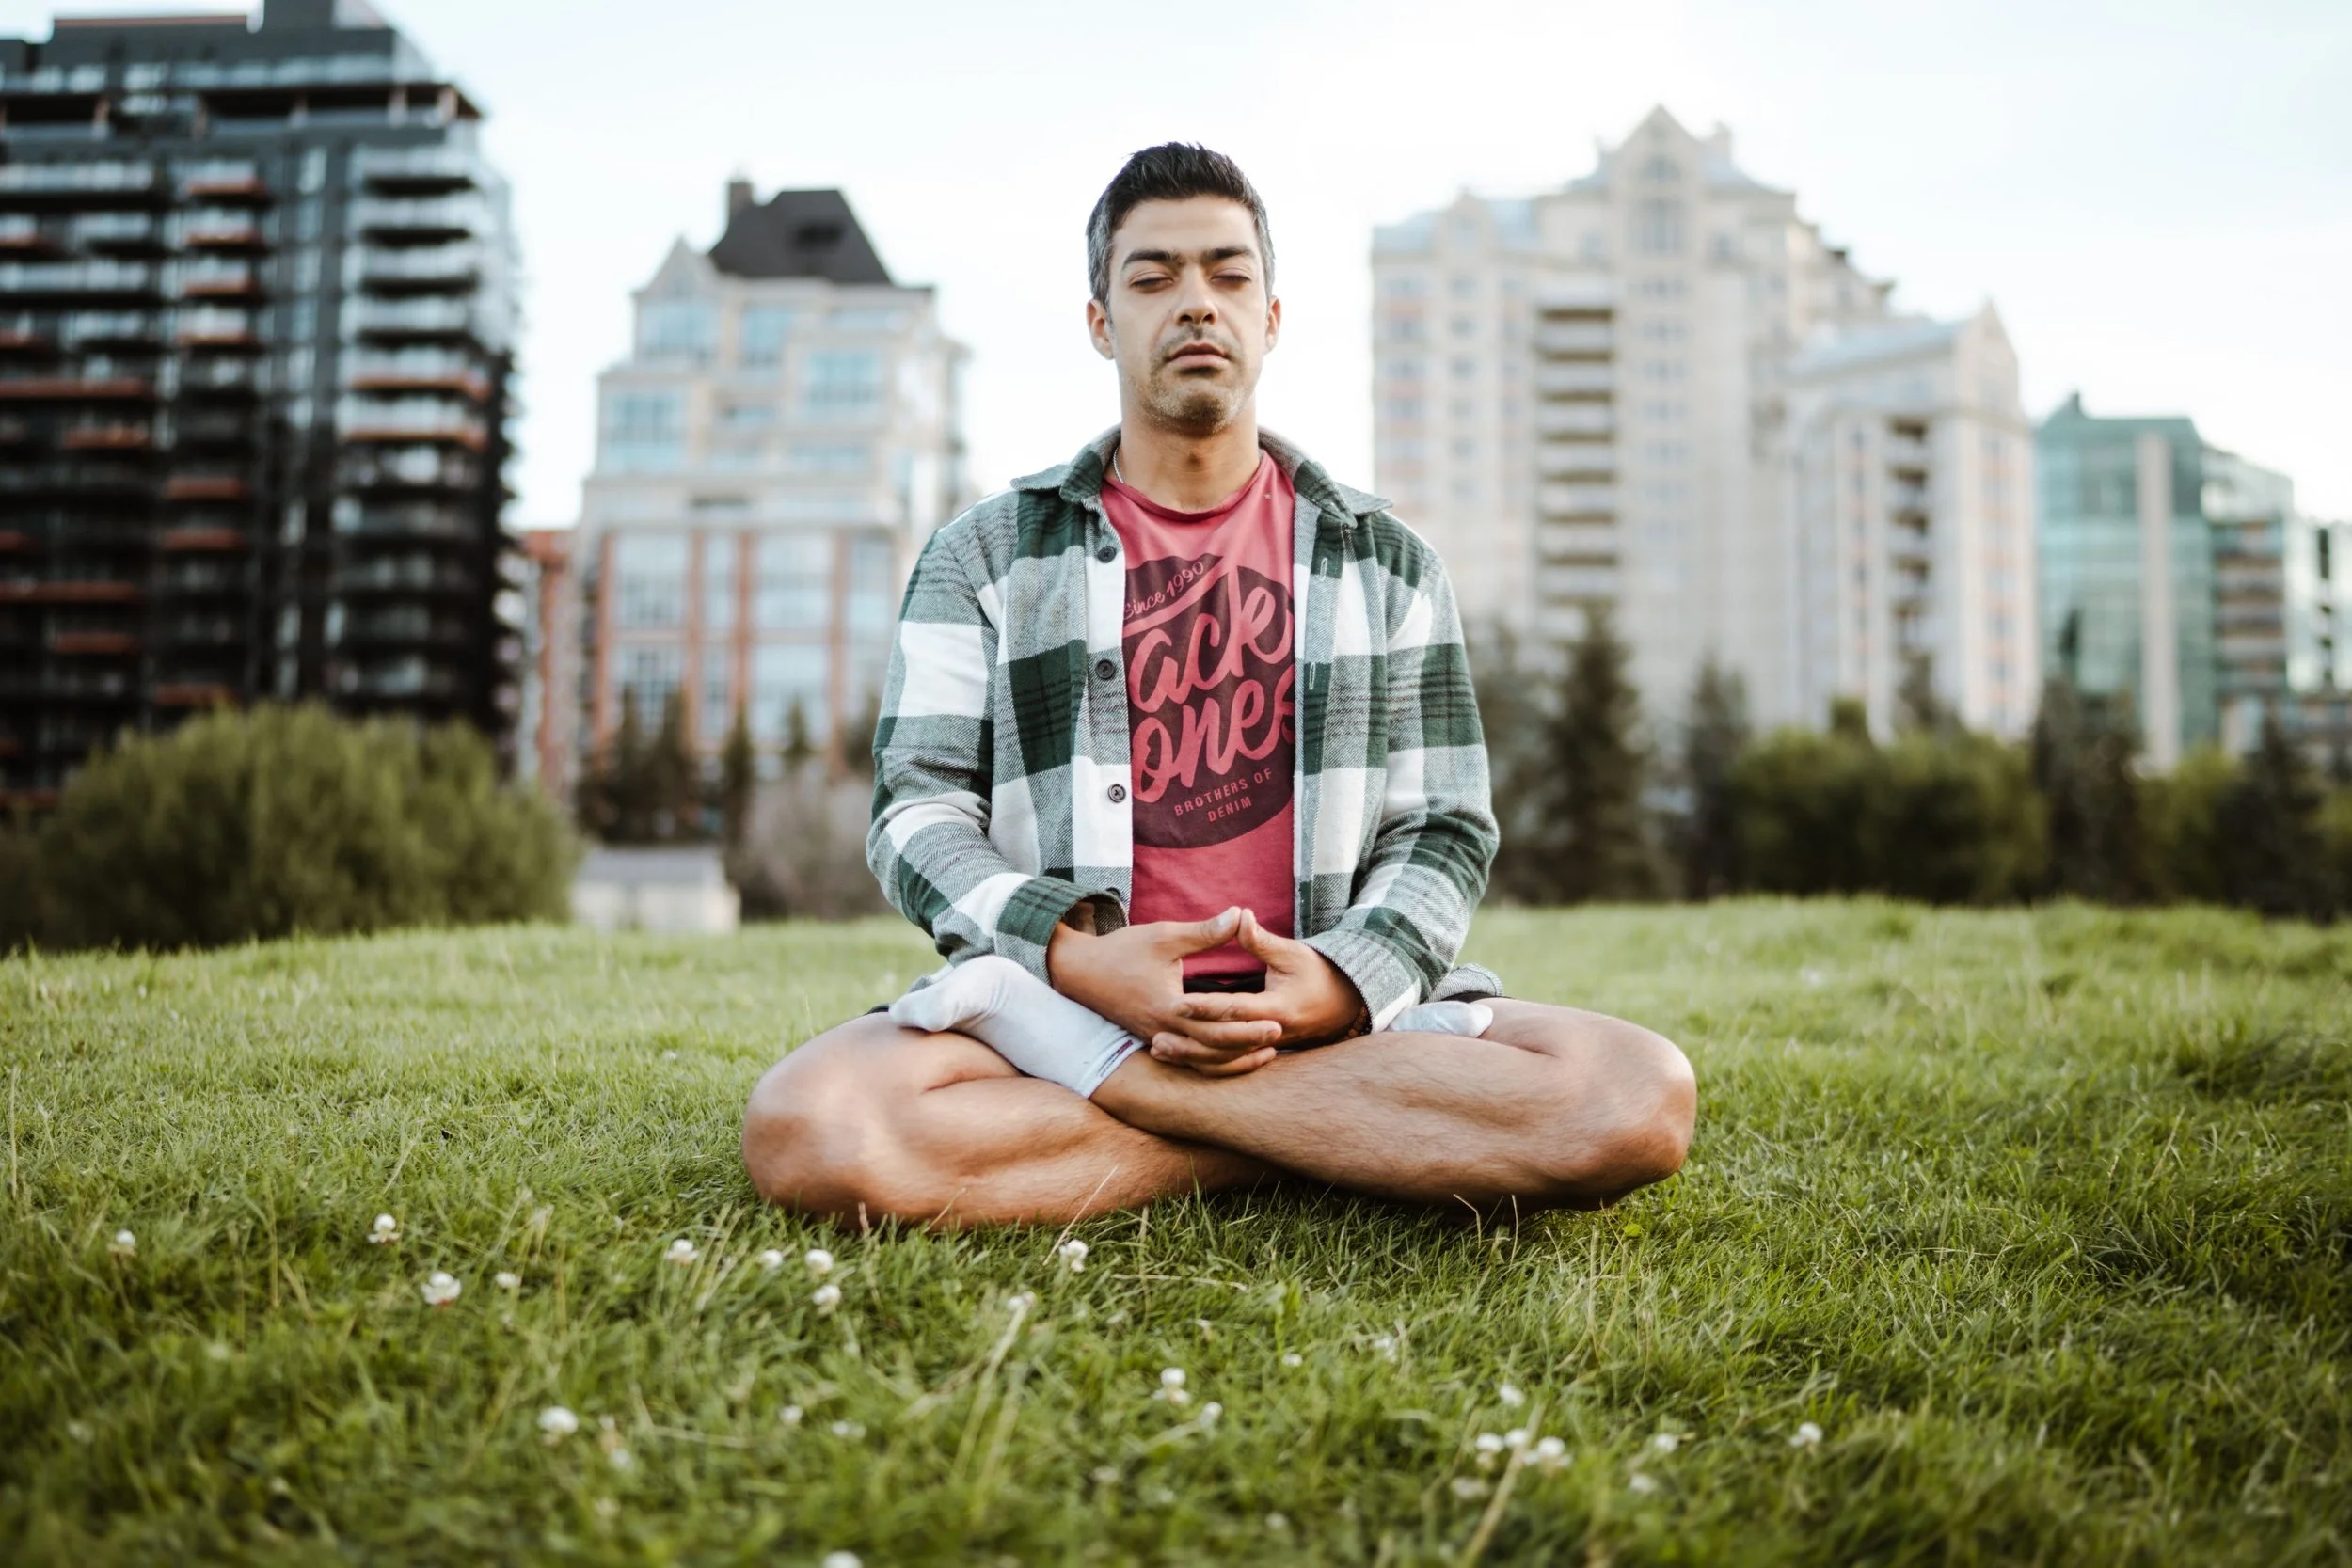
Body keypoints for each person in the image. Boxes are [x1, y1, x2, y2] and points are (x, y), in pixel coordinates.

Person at [741, 144, 1693, 1227]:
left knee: (1636, 1095)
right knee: (810, 1124)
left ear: (1272, 315)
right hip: (1061, 1009)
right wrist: (1081, 960)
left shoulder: (1386, 562)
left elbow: (1443, 828)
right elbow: (917, 807)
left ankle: (1174, 1120)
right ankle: (1354, 1140)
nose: (1195, 303)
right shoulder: (985, 554)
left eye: (1227, 275)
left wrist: (1335, 985)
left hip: (1333, 1014)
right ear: (1101, 321)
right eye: (1152, 278)